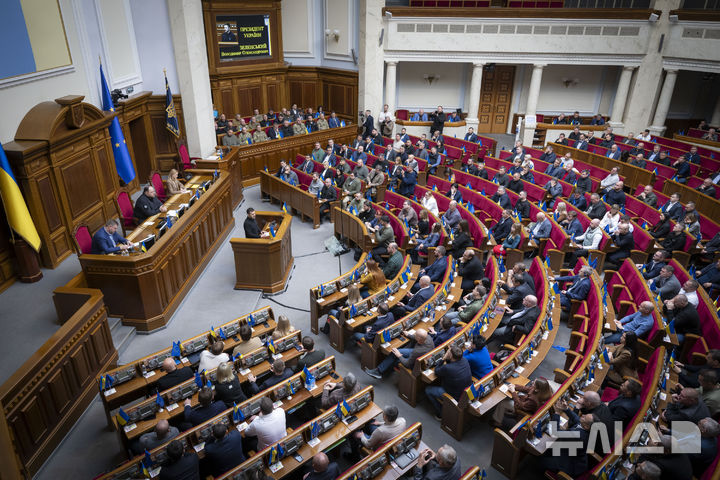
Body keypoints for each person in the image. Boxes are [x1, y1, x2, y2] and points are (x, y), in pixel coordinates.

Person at [364, 328, 434, 379]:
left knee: (395, 353)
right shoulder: (428, 337)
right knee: (396, 352)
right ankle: (384, 370)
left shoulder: (417, 351)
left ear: (419, 339)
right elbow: (418, 338)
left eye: (415, 334)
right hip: (422, 354)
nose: (414, 334)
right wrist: (409, 335)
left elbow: (407, 364)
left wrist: (399, 355)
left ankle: (378, 371)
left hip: (416, 363)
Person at [426, 346, 472, 419]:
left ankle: (441, 413)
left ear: (450, 355)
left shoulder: (448, 368)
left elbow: (436, 371)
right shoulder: (465, 360)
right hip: (464, 392)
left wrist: (443, 358)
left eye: (448, 352)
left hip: (453, 396)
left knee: (428, 390)